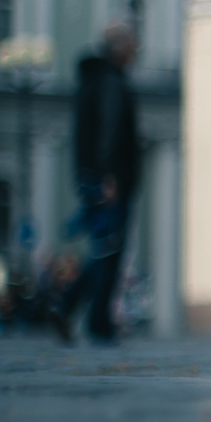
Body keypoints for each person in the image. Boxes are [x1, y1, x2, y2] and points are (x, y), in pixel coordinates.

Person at [57, 21, 143, 346]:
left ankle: (71, 309)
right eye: (132, 44)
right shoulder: (111, 81)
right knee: (110, 250)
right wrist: (110, 175)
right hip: (111, 178)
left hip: (93, 174)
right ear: (118, 47)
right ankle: (96, 321)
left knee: (103, 248)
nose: (136, 51)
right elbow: (110, 128)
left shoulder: (91, 79)